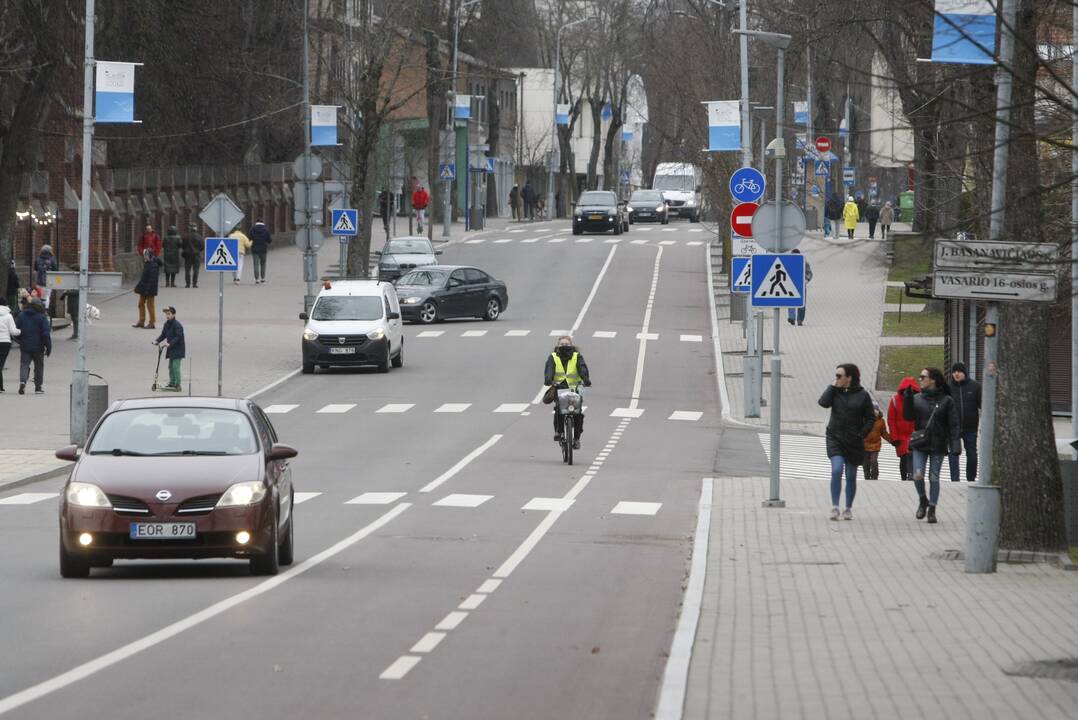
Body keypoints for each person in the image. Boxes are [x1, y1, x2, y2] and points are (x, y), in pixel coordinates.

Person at [903, 367, 961, 524]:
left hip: (939, 444)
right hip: (920, 443)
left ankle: (932, 509)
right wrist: (907, 399)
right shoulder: (917, 398)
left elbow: (954, 425)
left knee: (934, 477)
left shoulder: (946, 400)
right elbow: (908, 417)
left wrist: (955, 445)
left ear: (933, 380)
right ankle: (923, 499)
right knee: (917, 475)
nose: (920, 379)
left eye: (923, 377)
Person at [818, 363, 875, 520]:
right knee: (836, 470)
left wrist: (862, 433)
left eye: (839, 376)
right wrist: (832, 386)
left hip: (854, 440)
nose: (836, 378)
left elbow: (871, 417)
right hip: (835, 436)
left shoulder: (863, 395)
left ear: (849, 378)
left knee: (851, 475)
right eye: (835, 375)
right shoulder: (835, 392)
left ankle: (848, 508)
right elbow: (823, 403)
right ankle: (835, 506)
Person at [544, 335, 592, 449]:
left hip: (575, 389)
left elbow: (582, 368)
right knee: (559, 409)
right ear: (558, 345)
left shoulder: (577, 356)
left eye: (567, 344)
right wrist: (548, 379)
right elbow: (549, 369)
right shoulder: (553, 357)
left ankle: (576, 439)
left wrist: (586, 379)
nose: (564, 346)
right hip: (559, 388)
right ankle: (559, 432)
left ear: (571, 345)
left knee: (578, 413)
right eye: (562, 344)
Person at [947, 362, 981, 482]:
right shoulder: (948, 388)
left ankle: (970, 479)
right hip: (953, 428)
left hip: (970, 427)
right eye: (954, 371)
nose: (956, 374)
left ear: (964, 373)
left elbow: (982, 405)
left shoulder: (975, 386)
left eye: (959, 371)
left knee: (972, 455)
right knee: (953, 454)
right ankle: (954, 481)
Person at [14, 296, 50, 394]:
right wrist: (48, 347)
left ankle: (22, 382)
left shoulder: (22, 315)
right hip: (39, 346)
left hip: (25, 345)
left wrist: (20, 340)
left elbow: (16, 330)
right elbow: (46, 333)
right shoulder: (42, 317)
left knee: (24, 364)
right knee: (39, 366)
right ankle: (38, 387)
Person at [887, 376, 920, 481]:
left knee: (914, 458)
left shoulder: (918, 400)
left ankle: (911, 478)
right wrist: (894, 437)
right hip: (901, 437)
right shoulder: (895, 400)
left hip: (914, 435)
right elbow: (891, 419)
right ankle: (904, 479)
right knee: (904, 458)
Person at [154, 306, 186, 391]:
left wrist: (170, 343)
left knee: (175, 367)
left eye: (169, 314)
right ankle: (172, 382)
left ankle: (177, 385)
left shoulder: (177, 325)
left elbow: (178, 337)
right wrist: (157, 341)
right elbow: (163, 334)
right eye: (166, 314)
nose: (167, 316)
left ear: (174, 314)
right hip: (171, 349)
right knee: (170, 366)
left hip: (178, 349)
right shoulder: (167, 324)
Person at [862, 400, 894, 480]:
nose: (874, 413)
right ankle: (867, 477)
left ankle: (874, 478)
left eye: (875, 411)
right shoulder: (863, 420)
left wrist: (891, 440)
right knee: (865, 463)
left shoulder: (881, 421)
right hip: (864, 445)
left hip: (875, 445)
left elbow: (884, 433)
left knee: (874, 462)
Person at [133, 249, 162, 329]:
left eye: (145, 255)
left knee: (150, 305)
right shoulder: (147, 263)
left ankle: (152, 323)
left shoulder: (153, 265)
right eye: (144, 255)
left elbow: (152, 279)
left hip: (150, 289)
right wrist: (138, 287)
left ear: (150, 255)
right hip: (144, 288)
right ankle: (141, 321)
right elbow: (144, 278)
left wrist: (147, 290)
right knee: (140, 304)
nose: (144, 257)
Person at [786, 248, 813, 326]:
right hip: (790, 285)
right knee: (791, 301)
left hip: (800, 285)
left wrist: (807, 279)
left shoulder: (804, 263)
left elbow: (809, 273)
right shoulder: (788, 262)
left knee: (801, 303)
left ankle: (800, 319)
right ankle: (792, 318)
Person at [0, 297, 21, 392]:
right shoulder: (8, 316)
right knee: (1, 364)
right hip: (5, 342)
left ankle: (0, 386)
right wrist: (21, 331)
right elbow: (13, 331)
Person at [34, 244, 58, 310]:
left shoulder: (38, 258)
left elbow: (35, 268)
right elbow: (55, 269)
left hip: (39, 281)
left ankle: (39, 308)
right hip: (49, 281)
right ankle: (45, 309)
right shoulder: (52, 259)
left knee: (39, 296)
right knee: (47, 296)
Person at [182, 223, 202, 288]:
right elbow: (202, 247)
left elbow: (183, 246)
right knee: (196, 270)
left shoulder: (185, 236)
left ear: (190, 228)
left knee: (187, 270)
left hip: (187, 255)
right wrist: (198, 250)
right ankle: (194, 284)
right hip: (196, 255)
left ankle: (187, 284)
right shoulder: (199, 236)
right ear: (196, 228)